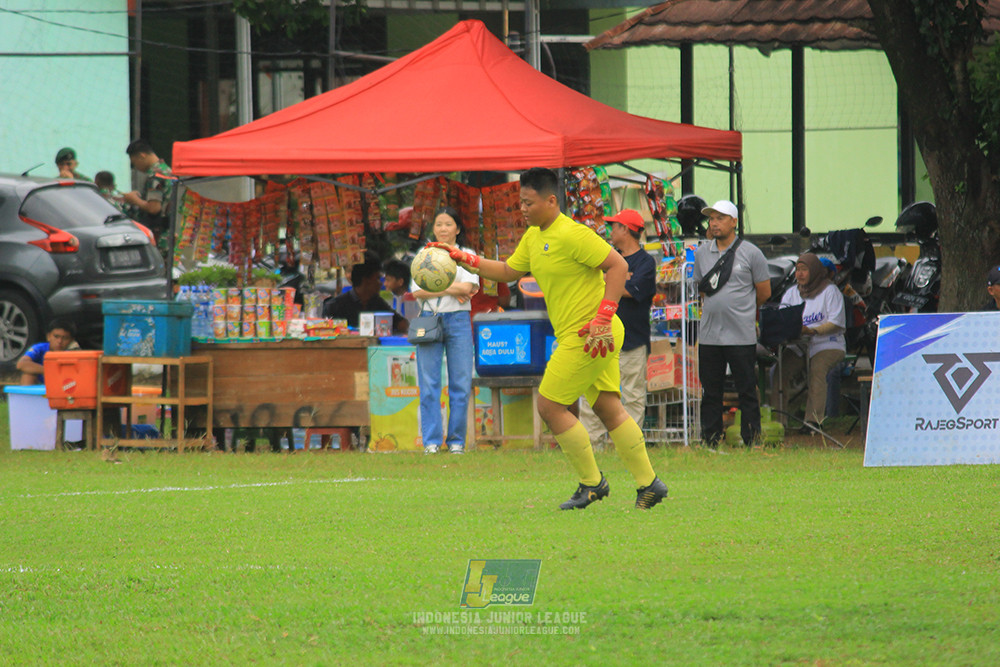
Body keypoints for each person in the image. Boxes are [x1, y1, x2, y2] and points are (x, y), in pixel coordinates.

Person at [430, 168, 668, 510]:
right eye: (520, 202)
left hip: (590, 333)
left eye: (528, 202)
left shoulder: (573, 234)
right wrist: (467, 259)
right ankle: (649, 484)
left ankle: (592, 483)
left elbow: (618, 267)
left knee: (549, 405)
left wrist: (603, 316)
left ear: (551, 200)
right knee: (608, 407)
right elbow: (509, 272)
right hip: (588, 333)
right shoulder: (532, 237)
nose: (523, 209)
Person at [692, 199, 770, 448]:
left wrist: (741, 309)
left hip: (741, 335)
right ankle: (711, 441)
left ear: (734, 222)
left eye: (720, 218)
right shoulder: (702, 253)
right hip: (709, 336)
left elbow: (764, 292)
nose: (714, 223)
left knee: (747, 390)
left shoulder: (751, 253)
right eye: (711, 219)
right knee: (710, 392)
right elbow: (701, 289)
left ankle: (751, 440)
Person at [578, 209, 656, 447]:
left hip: (632, 339)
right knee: (594, 392)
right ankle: (593, 443)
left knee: (632, 396)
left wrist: (606, 280)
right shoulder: (609, 257)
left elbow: (630, 291)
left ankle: (629, 446)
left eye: (615, 226)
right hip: (602, 338)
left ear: (627, 229)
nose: (611, 231)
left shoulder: (645, 262)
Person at [411, 207, 480, 455]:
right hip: (430, 319)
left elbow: (471, 288)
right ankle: (431, 441)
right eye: (439, 224)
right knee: (429, 383)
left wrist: (438, 286)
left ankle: (456, 442)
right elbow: (417, 292)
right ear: (433, 229)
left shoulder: (468, 255)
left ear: (457, 229)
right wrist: (454, 287)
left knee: (460, 384)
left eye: (448, 224)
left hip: (460, 321)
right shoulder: (424, 254)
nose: (443, 228)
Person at [773, 253, 847, 432]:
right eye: (797, 270)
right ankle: (778, 422)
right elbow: (783, 318)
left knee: (817, 368)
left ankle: (813, 422)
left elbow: (837, 323)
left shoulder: (830, 291)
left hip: (828, 344)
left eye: (804, 269)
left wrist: (813, 330)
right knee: (779, 371)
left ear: (814, 271)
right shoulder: (792, 293)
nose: (800, 274)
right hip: (799, 345)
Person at [322, 260, 408, 334]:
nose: (381, 283)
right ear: (366, 281)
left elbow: (400, 323)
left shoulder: (377, 302)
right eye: (377, 279)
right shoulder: (334, 306)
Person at [122, 140, 174, 250]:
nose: (135, 167)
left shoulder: (155, 176)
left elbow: (153, 208)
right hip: (172, 232)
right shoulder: (168, 171)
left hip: (161, 235)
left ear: (142, 156)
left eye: (134, 162)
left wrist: (133, 199)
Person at [16, 318, 78, 385]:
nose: (59, 341)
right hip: (39, 385)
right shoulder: (39, 348)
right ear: (48, 336)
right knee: (28, 375)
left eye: (65, 338)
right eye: (56, 336)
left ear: (71, 341)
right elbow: (21, 364)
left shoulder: (71, 355)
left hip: (60, 386)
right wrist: (50, 370)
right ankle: (28, 395)